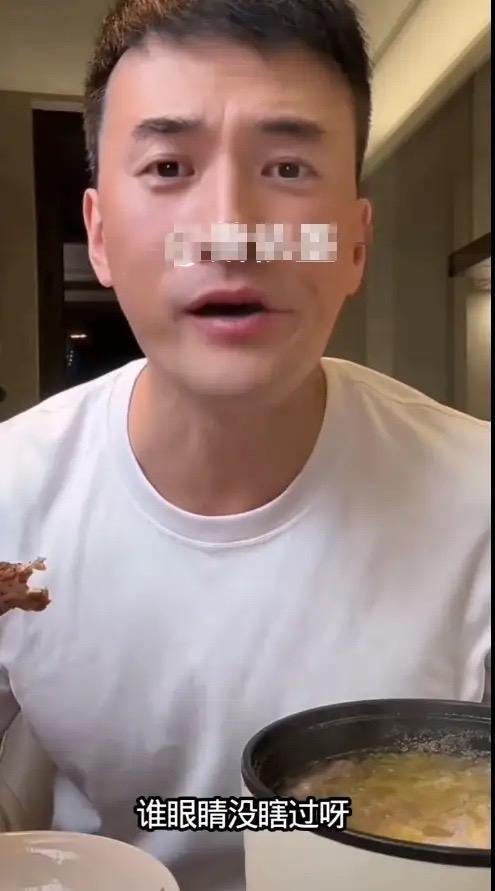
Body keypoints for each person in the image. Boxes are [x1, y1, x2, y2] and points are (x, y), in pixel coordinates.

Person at [0, 0, 490, 889]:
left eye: (287, 167)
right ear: (100, 235)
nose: (230, 229)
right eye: (168, 167)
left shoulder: (477, 497)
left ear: (354, 243)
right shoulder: (11, 490)